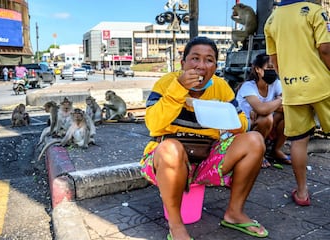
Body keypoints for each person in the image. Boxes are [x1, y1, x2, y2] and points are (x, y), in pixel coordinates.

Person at [140, 36, 268, 240]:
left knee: (254, 140)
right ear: (183, 63)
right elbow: (153, 125)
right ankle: (176, 225)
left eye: (209, 60)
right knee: (170, 149)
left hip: (208, 157)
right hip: (168, 157)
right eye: (195, 58)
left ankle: (234, 213)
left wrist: (227, 119)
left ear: (215, 66)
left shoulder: (221, 86)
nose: (201, 66)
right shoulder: (166, 83)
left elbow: (242, 122)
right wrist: (178, 90)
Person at [264, 0, 330, 206]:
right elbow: (326, 49)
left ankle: (302, 193)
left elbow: (274, 61)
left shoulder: (271, 20)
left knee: (299, 141)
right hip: (322, 85)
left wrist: (290, 79)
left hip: (292, 88)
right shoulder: (314, 11)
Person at [236, 53, 290, 168]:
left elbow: (288, 106)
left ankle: (276, 150)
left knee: (289, 115)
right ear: (258, 70)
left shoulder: (276, 84)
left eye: (275, 67)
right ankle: (259, 153)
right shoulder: (248, 87)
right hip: (246, 127)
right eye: (270, 67)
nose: (273, 70)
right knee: (266, 118)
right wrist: (280, 99)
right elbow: (262, 110)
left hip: (264, 124)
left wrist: (265, 108)